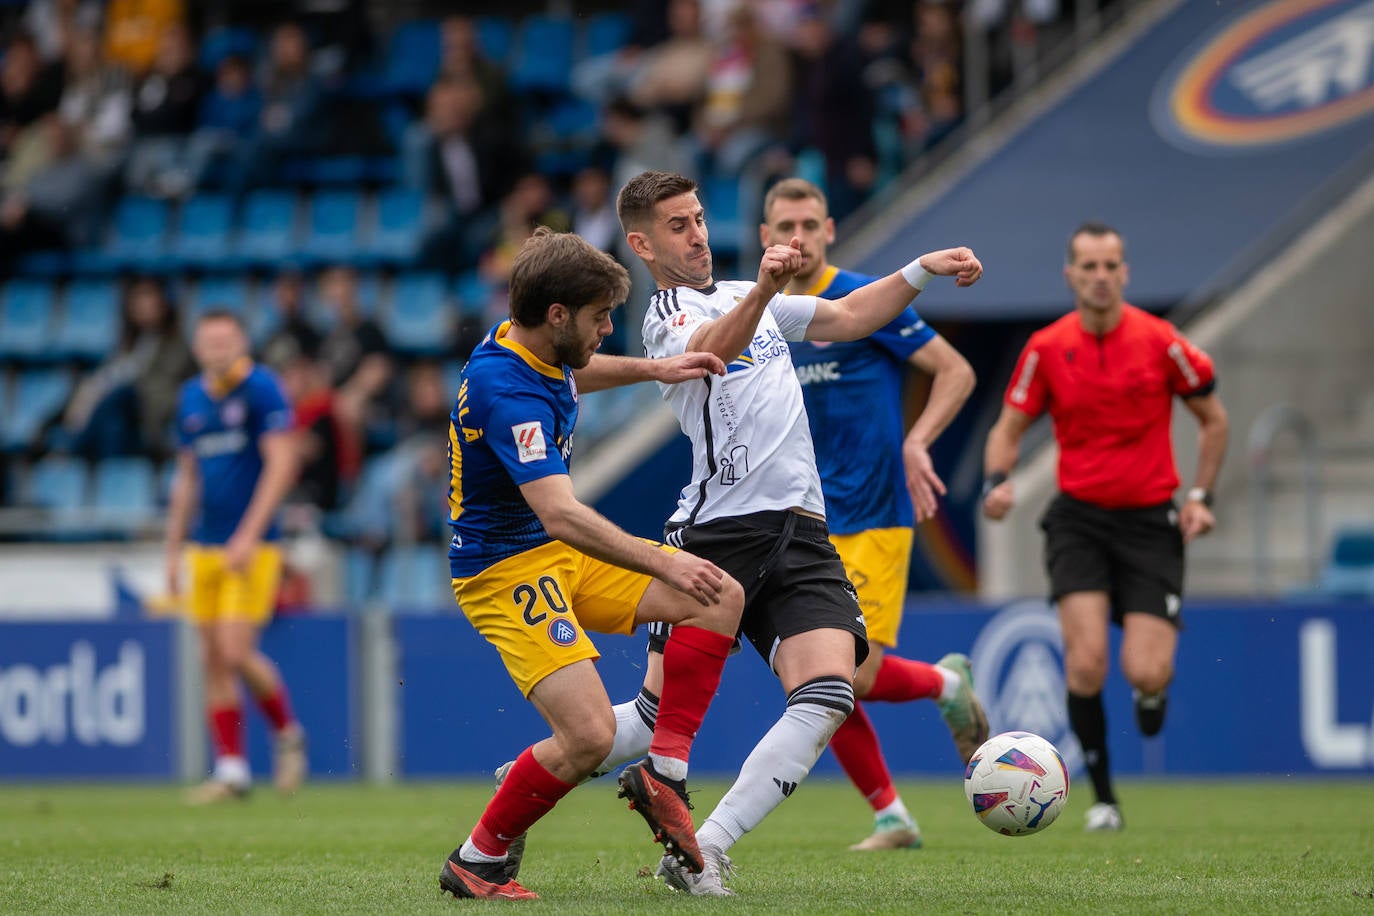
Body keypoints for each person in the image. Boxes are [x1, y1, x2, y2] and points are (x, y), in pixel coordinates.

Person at [585, 170, 981, 896]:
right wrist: (766, 292)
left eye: (700, 218)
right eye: (678, 225)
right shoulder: (664, 316)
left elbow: (856, 315)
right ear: (641, 243)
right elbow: (709, 353)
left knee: (830, 694)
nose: (697, 233)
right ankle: (535, 785)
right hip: (719, 530)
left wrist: (922, 268)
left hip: (801, 529)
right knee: (644, 722)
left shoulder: (746, 294)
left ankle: (702, 848)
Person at [437, 227, 746, 901]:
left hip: (555, 554)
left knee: (720, 596)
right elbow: (562, 515)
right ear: (557, 315)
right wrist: (661, 563)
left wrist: (656, 368)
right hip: (505, 570)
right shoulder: (504, 392)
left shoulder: (532, 345)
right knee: (587, 736)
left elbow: (572, 370)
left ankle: (664, 771)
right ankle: (478, 860)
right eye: (601, 316)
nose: (609, 327)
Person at [981, 221, 1229, 832]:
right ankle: (1104, 800)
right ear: (1070, 275)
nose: (1099, 276)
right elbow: (1007, 429)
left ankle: (1151, 694)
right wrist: (997, 481)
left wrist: (1200, 495)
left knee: (1145, 670)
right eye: (1087, 266)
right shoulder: (1046, 347)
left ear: (1125, 272)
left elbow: (1214, 419)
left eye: (1109, 265)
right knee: (1085, 665)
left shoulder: (1162, 341)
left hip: (1151, 521)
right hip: (1079, 520)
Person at [761, 177, 985, 850]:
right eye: (783, 227)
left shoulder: (864, 295)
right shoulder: (761, 311)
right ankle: (891, 816)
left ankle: (946, 684)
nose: (796, 237)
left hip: (874, 510)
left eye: (808, 223)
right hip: (801, 520)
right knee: (813, 679)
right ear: (767, 236)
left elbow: (955, 371)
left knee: (847, 674)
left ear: (830, 228)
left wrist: (918, 439)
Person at [165, 310, 307, 804]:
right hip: (205, 545)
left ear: (242, 342)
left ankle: (288, 733)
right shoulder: (190, 398)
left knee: (233, 650)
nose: (218, 349)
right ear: (198, 347)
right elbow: (187, 480)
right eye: (209, 342)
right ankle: (231, 771)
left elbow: (282, 462)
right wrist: (172, 549)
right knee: (211, 658)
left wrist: (249, 535)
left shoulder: (262, 390)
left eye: (227, 340)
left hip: (253, 545)